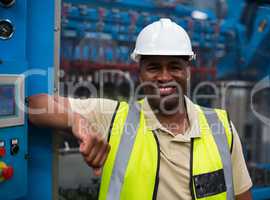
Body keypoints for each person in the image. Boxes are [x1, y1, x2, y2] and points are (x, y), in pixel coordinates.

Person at [29, 18, 252, 200]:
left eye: (174, 66)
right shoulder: (114, 117)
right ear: (140, 74)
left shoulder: (221, 128)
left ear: (188, 71)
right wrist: (77, 121)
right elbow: (36, 105)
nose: (164, 76)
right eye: (154, 67)